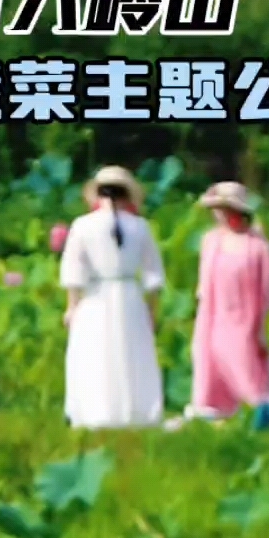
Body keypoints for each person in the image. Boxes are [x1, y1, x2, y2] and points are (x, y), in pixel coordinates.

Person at [59, 165, 166, 429]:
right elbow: (154, 274)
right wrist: (152, 311)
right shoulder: (141, 227)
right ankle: (135, 411)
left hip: (96, 297)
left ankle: (96, 411)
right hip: (130, 295)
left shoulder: (82, 226)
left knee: (96, 353)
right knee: (132, 353)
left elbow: (74, 271)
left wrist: (71, 306)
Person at [185, 180, 269, 423]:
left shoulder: (257, 246)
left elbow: (268, 290)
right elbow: (204, 284)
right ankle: (213, 410)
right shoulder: (211, 240)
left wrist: (262, 327)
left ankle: (258, 408)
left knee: (243, 360)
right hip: (214, 313)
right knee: (209, 358)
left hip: (245, 315)